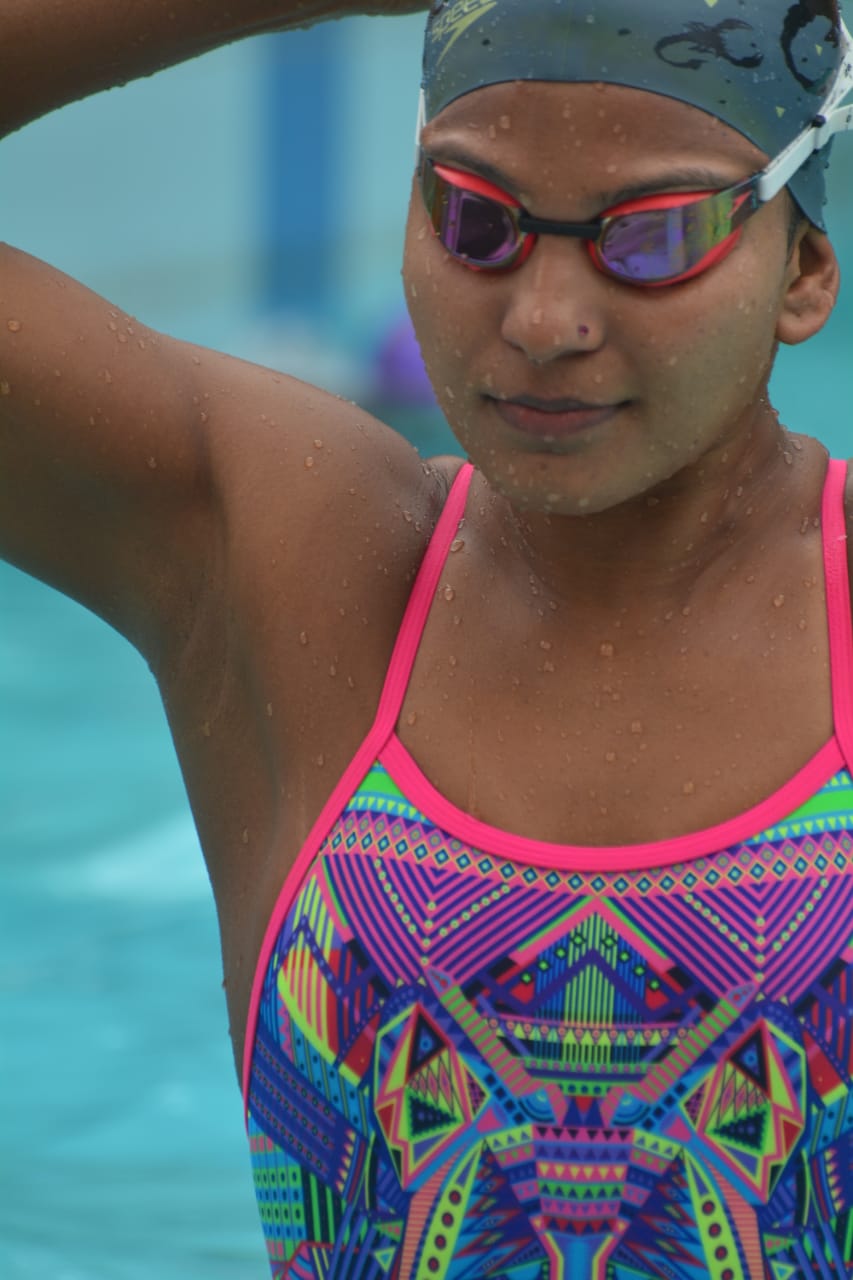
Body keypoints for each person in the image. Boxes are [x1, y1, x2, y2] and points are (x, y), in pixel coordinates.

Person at [2, 0, 853, 1275]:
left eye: (653, 236)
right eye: (475, 220)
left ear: (802, 271)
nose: (544, 320)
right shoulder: (297, 566)